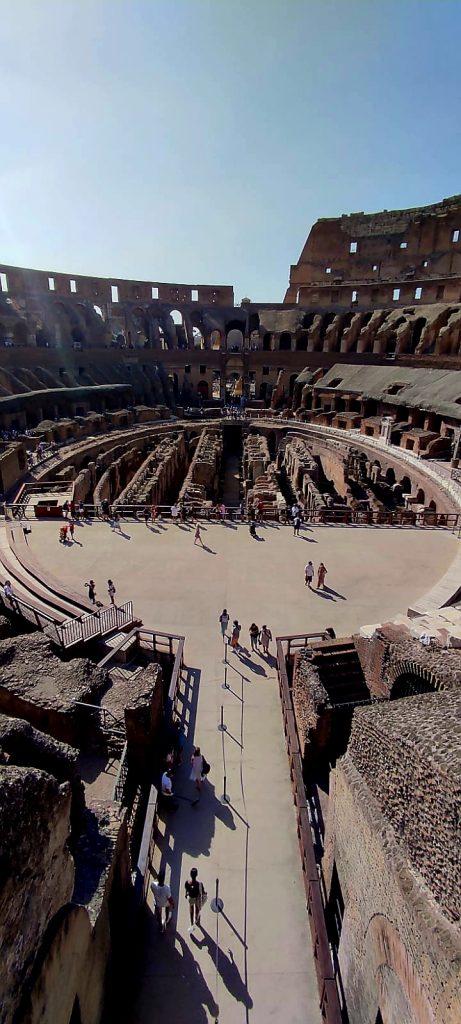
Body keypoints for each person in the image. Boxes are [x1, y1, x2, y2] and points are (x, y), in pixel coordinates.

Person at [185, 867, 207, 932]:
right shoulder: (199, 884)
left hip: (191, 897)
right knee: (197, 908)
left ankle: (192, 923)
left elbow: (187, 890)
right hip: (197, 898)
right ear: (196, 875)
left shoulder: (187, 883)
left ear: (190, 875)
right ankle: (196, 918)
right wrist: (205, 893)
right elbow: (202, 892)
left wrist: (186, 894)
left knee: (191, 908)